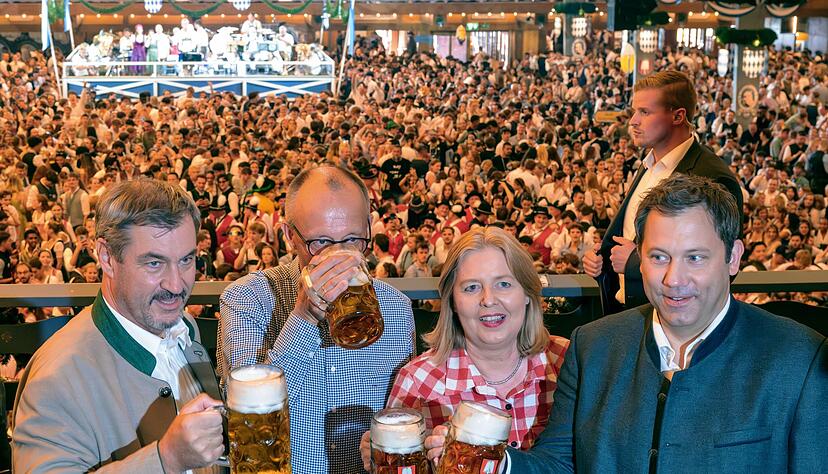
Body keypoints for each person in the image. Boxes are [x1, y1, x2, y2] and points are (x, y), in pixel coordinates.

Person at [485, 174, 825, 472]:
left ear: (732, 257)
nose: (674, 279)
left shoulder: (800, 360)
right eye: (659, 257)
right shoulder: (593, 346)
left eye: (695, 258)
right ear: (640, 260)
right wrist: (496, 464)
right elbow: (559, 465)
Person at [12, 179, 225, 472]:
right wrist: (166, 460)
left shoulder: (184, 326)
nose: (177, 285)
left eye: (186, 260)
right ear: (107, 257)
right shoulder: (57, 377)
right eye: (154, 264)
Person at [219, 166, 415, 474]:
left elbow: (402, 418)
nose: (338, 256)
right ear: (289, 236)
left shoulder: (397, 309)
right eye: (321, 243)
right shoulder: (248, 299)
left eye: (352, 239)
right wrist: (303, 317)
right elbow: (247, 421)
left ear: (368, 227)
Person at [359, 227, 569, 470]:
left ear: (527, 294)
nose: (488, 299)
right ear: (452, 302)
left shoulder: (567, 361)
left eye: (503, 283)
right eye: (471, 287)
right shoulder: (417, 382)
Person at [582, 70, 744, 315]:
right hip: (630, 314)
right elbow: (630, 239)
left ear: (678, 116)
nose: (633, 121)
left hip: (673, 320)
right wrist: (601, 258)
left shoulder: (711, 175)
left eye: (645, 112)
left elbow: (720, 266)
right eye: (635, 111)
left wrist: (635, 264)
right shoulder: (648, 165)